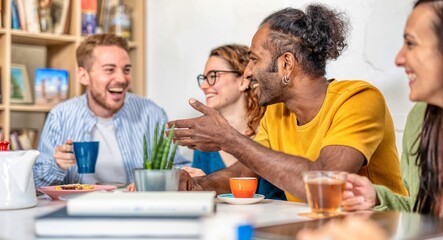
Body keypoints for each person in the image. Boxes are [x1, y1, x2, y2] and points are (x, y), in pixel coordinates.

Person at [168, 4, 407, 202]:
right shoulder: (276, 113)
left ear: (286, 64)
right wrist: (196, 186)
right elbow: (242, 172)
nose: (248, 72)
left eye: (254, 59)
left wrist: (229, 139)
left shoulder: (358, 99)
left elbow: (326, 184)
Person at [33, 33, 189, 187]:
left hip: (135, 208)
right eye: (109, 70)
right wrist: (57, 165)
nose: (121, 79)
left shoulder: (151, 113)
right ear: (83, 76)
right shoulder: (60, 116)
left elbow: (178, 167)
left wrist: (157, 180)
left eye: (126, 69)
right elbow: (36, 181)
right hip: (77, 207)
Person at [343, 0, 443, 216]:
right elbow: (422, 212)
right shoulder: (420, 118)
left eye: (411, 44)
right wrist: (378, 197)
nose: (399, 59)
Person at [181, 44, 285, 200]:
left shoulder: (273, 126)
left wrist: (205, 184)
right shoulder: (205, 138)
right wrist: (199, 184)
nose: (203, 86)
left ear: (243, 77)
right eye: (204, 78)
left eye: (213, 76)